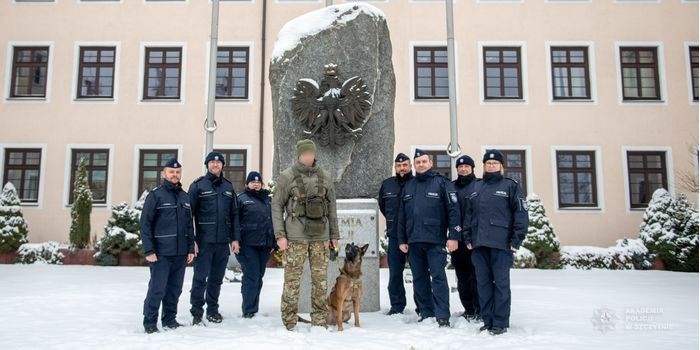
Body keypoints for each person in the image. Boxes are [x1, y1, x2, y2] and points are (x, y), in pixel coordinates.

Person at [272, 139, 340, 331]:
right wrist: (280, 235)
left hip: (321, 237)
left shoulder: (326, 177)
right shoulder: (287, 177)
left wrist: (334, 235)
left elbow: (332, 208)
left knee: (320, 281)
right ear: (299, 155)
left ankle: (319, 320)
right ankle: (289, 320)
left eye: (311, 153)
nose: (308, 157)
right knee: (292, 281)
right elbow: (276, 206)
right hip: (295, 238)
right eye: (305, 154)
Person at [463, 149, 528, 336]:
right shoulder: (476, 187)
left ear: (501, 166)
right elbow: (468, 215)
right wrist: (467, 237)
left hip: (502, 244)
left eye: (495, 163)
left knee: (500, 283)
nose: (491, 166)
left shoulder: (510, 186)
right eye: (488, 163)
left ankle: (500, 321)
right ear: (483, 166)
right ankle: (487, 319)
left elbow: (521, 213)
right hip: (478, 244)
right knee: (482, 284)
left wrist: (517, 238)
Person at [397, 149, 461, 328]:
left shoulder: (442, 183)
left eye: (424, 161)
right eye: (418, 162)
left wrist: (453, 236)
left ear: (430, 163)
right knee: (419, 278)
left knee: (438, 278)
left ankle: (442, 315)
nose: (421, 165)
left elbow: (454, 211)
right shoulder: (409, 186)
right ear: (414, 165)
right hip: (414, 241)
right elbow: (402, 215)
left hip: (435, 241)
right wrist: (402, 240)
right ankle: (425, 312)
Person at [140, 158, 195, 334]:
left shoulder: (184, 197)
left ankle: (169, 319)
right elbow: (145, 224)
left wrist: (190, 248)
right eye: (171, 172)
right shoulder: (155, 195)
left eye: (177, 172)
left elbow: (189, 226)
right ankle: (150, 322)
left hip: (180, 253)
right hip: (161, 253)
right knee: (157, 289)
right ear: (164, 173)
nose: (175, 175)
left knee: (174, 290)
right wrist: (149, 250)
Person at [188, 151, 240, 325]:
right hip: (204, 242)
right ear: (207, 165)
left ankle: (213, 310)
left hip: (222, 242)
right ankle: (196, 312)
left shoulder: (228, 187)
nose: (215, 165)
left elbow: (234, 214)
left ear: (222, 165)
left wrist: (235, 238)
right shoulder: (198, 186)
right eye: (212, 162)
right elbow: (189, 216)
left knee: (216, 278)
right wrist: (192, 240)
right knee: (200, 278)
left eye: (218, 163)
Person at [378, 152, 417, 316]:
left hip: (415, 235)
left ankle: (423, 306)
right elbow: (383, 206)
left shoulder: (417, 183)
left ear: (410, 166)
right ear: (395, 167)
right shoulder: (387, 185)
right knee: (395, 273)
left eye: (405, 165)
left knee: (419, 272)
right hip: (395, 235)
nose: (402, 168)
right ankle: (397, 305)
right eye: (399, 166)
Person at [236, 171, 275, 319]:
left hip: (264, 245)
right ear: (247, 184)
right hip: (247, 245)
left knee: (258, 276)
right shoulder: (241, 199)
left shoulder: (268, 200)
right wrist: (235, 240)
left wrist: (273, 242)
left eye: (258, 182)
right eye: (252, 182)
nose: (256, 184)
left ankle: (253, 308)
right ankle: (248, 310)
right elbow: (234, 222)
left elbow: (272, 221)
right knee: (251, 276)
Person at [451, 155, 481, 321]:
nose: (463, 169)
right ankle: (468, 308)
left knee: (477, 276)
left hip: (476, 239)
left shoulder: (479, 185)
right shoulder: (451, 187)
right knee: (462, 277)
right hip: (458, 240)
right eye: (460, 167)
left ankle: (479, 308)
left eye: (466, 166)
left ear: (472, 168)